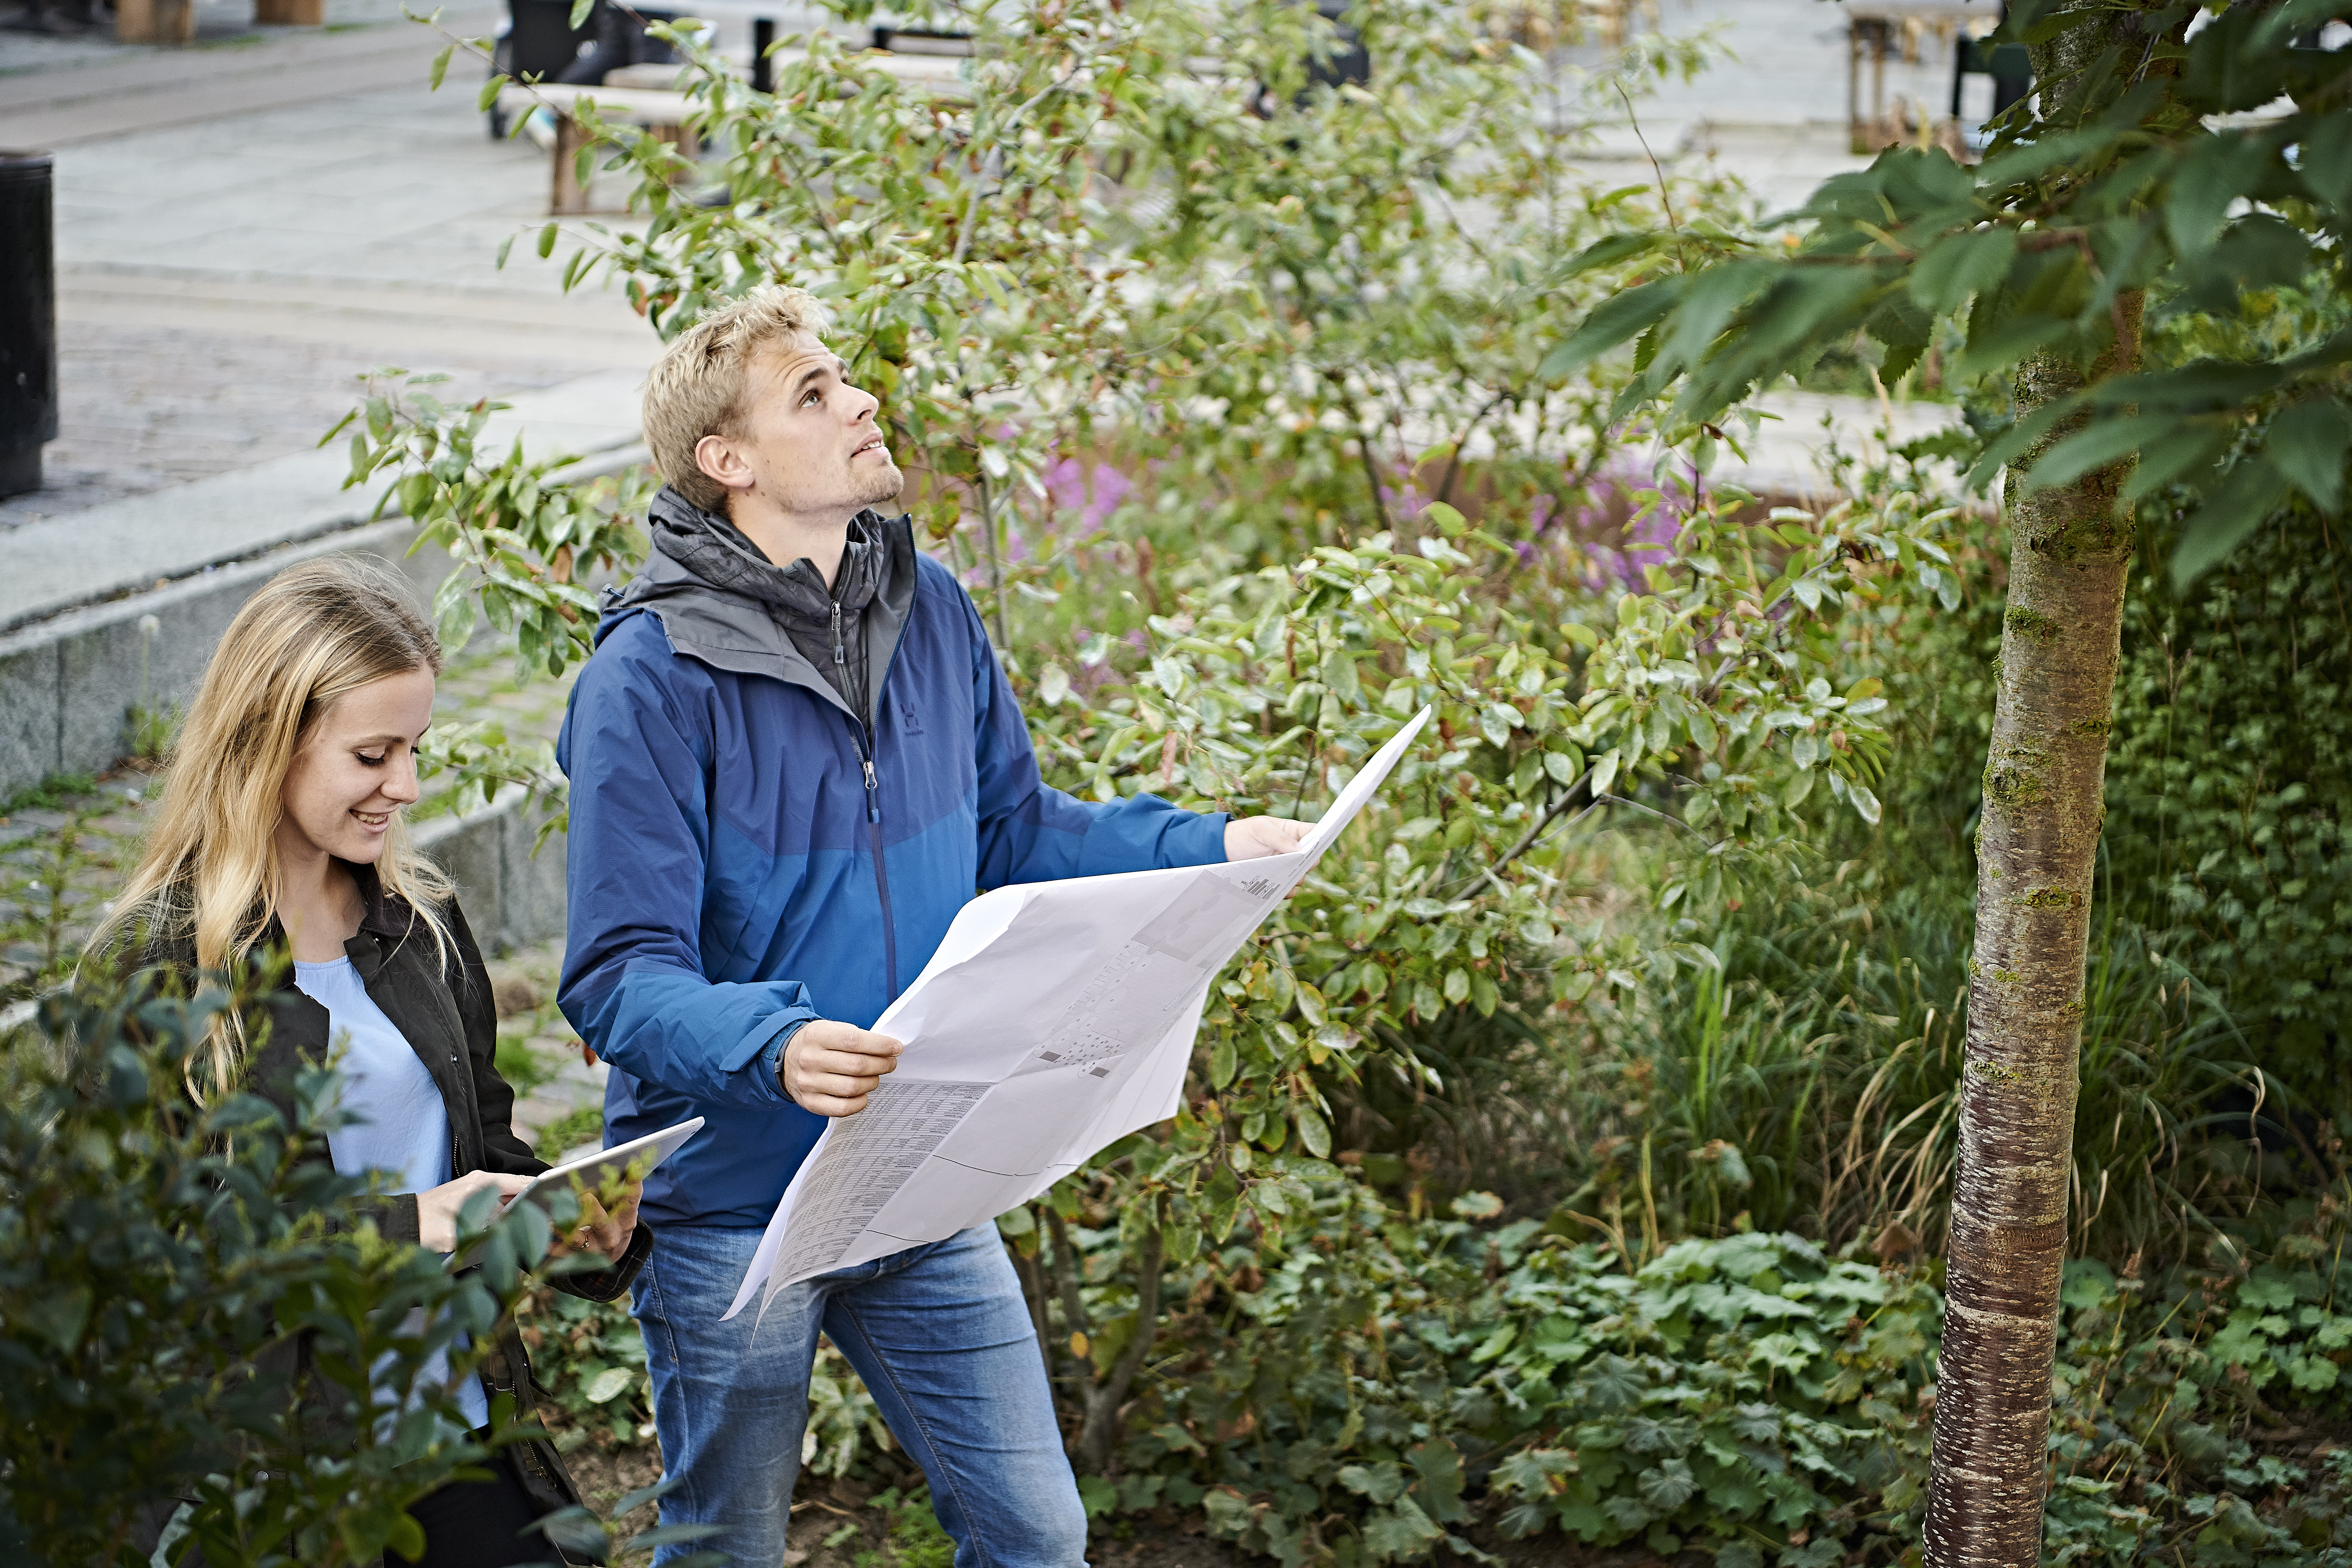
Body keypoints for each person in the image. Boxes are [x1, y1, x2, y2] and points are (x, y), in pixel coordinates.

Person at [556, 285, 1310, 1567]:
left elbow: (1014, 834)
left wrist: (1212, 844)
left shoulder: (929, 607)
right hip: (736, 1203)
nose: (860, 402)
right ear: (724, 462)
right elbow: (618, 977)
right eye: (814, 393)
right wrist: (779, 1044)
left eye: (844, 377)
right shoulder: (650, 676)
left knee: (1036, 1531)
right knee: (726, 1549)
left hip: (915, 1168)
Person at [91, 557, 651, 1568]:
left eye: (416, 748)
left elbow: (480, 1141)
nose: (408, 785)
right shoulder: (161, 960)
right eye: (372, 754)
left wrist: (568, 1224)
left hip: (458, 1428)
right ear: (270, 743)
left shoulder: (421, 925)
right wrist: (414, 1225)